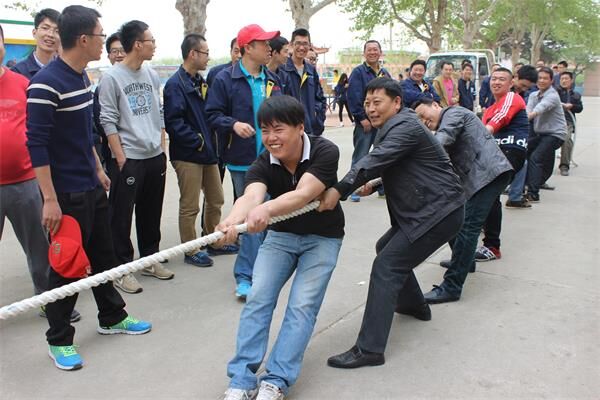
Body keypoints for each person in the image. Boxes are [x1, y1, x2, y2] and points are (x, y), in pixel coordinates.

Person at [25, 5, 151, 371]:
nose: (104, 42)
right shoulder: (45, 84)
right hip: (64, 195)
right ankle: (59, 339)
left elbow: (84, 133)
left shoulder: (81, 77)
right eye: (100, 35)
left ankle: (112, 316)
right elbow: (37, 145)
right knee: (67, 267)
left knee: (103, 256)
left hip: (91, 186)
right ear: (83, 39)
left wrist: (98, 168)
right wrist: (49, 199)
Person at [323, 78, 465, 369]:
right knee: (385, 247)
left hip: (439, 212)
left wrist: (340, 188)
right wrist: (376, 184)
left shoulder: (405, 126)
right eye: (367, 104)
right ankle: (415, 306)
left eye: (377, 102)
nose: (371, 109)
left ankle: (369, 349)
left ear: (397, 102)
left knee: (387, 265)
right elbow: (401, 164)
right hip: (429, 210)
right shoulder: (396, 126)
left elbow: (376, 159)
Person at [218, 95, 344, 400]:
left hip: (323, 238)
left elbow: (304, 194)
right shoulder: (264, 162)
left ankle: (277, 379)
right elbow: (250, 196)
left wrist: (266, 209)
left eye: (278, 129)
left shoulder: (325, 151)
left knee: (302, 307)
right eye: (265, 130)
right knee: (258, 298)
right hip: (281, 238)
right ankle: (241, 380)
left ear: (300, 127)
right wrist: (231, 221)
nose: (271, 138)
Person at [1, 24, 82, 323]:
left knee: (39, 247)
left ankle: (50, 301)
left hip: (24, 181)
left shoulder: (22, 84)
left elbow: (39, 134)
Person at [205, 23, 283, 299]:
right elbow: (211, 114)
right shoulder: (225, 79)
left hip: (274, 158)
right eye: (264, 44)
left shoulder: (273, 79)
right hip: (242, 161)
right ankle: (246, 275)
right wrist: (233, 124)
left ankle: (264, 267)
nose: (269, 48)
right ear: (247, 48)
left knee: (269, 214)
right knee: (252, 216)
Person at [412, 98, 513, 303]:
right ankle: (466, 262)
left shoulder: (453, 113)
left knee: (467, 227)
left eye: (423, 115)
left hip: (487, 175)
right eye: (419, 120)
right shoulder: (444, 126)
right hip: (480, 177)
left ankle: (452, 286)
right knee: (452, 216)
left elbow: (442, 140)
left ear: (436, 105)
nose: (424, 121)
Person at [99, 20, 173, 294]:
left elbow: (158, 111)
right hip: (128, 157)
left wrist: (161, 148)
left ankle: (150, 259)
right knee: (120, 216)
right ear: (138, 44)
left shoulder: (151, 74)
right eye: (151, 40)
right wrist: (120, 158)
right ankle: (121, 269)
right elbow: (107, 120)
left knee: (150, 212)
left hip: (154, 155)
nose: (154, 45)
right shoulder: (111, 78)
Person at [163, 33, 231, 269]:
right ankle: (191, 249)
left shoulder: (200, 82)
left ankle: (212, 241)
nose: (208, 58)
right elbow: (174, 123)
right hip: (188, 155)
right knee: (190, 205)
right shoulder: (175, 85)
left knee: (216, 199)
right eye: (205, 53)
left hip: (208, 153)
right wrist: (199, 141)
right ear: (192, 54)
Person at [474, 67, 529, 261]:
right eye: (494, 79)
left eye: (502, 79)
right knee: (485, 195)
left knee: (489, 194)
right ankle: (484, 232)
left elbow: (500, 119)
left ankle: (492, 246)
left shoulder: (512, 98)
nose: (496, 82)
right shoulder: (489, 108)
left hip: (510, 153)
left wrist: (484, 132)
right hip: (495, 155)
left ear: (511, 83)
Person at [346, 40, 391, 201]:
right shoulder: (358, 72)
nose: (372, 52)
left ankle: (382, 189)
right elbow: (353, 96)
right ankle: (353, 189)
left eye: (375, 49)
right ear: (364, 53)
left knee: (383, 156)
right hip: (365, 123)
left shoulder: (384, 73)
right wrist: (361, 118)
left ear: (380, 52)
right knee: (361, 156)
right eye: (369, 50)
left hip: (383, 122)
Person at [525, 67, 566, 203]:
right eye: (540, 78)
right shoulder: (533, 95)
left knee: (536, 158)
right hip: (540, 134)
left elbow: (539, 109)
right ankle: (522, 186)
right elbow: (528, 110)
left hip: (556, 134)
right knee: (524, 151)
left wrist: (529, 116)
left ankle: (533, 193)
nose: (542, 81)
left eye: (545, 78)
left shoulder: (553, 96)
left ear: (551, 81)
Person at [281, 28, 327, 136]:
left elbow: (320, 97)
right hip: (290, 130)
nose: (301, 48)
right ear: (291, 45)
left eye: (305, 44)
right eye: (298, 43)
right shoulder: (282, 70)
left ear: (309, 45)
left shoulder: (311, 70)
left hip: (311, 129)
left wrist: (318, 118)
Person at [505, 65, 538, 209]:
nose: (524, 89)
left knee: (521, 163)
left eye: (527, 87)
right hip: (501, 134)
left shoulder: (521, 94)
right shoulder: (504, 90)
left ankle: (515, 196)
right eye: (523, 85)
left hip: (514, 135)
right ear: (516, 77)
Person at [93, 32, 125, 167]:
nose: (119, 55)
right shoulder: (104, 84)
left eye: (123, 50)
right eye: (114, 51)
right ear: (109, 56)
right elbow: (100, 121)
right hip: (114, 153)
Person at [11, 8, 60, 79]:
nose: (50, 34)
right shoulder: (18, 72)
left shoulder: (66, 71)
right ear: (34, 33)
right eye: (45, 28)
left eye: (57, 31)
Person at [556, 71, 583, 176]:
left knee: (566, 140)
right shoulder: (555, 92)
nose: (563, 81)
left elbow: (580, 108)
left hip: (567, 122)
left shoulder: (575, 95)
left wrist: (572, 106)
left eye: (566, 79)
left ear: (571, 80)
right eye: (562, 79)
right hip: (553, 121)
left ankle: (564, 166)